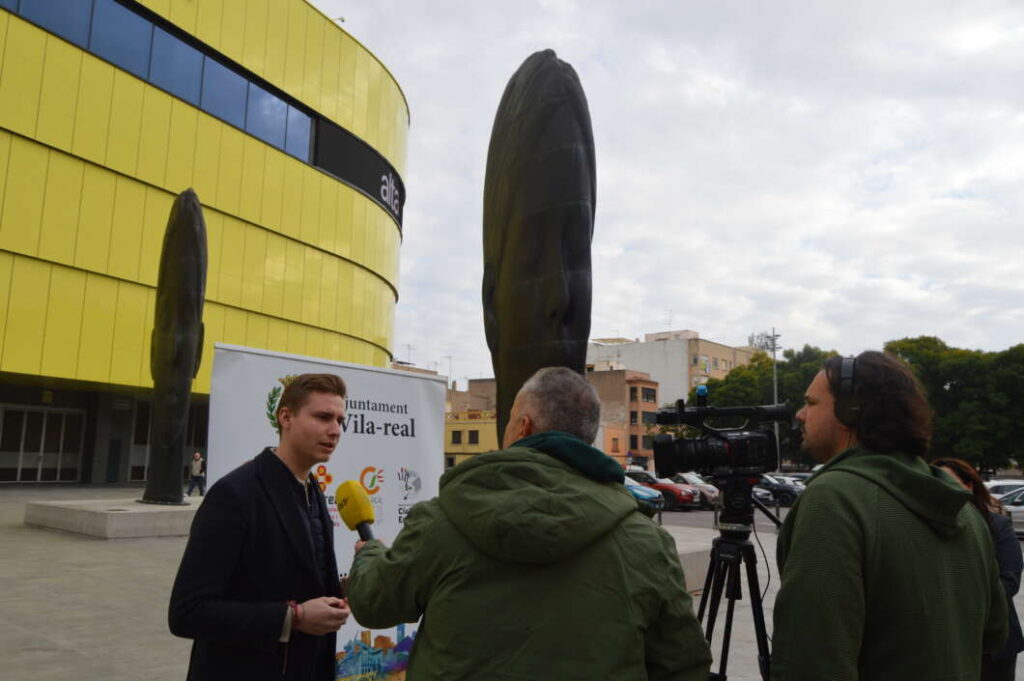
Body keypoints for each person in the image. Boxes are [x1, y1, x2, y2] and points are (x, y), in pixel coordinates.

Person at [346, 366, 712, 681]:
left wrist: (369, 555)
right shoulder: (647, 541)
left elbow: (375, 603)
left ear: (522, 427)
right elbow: (681, 663)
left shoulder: (441, 520)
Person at [771, 351, 1007, 681]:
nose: (799, 415)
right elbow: (995, 632)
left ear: (851, 410)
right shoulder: (964, 510)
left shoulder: (835, 497)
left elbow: (811, 660)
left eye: (810, 403)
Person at [169, 373, 350, 681]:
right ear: (286, 417)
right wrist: (294, 617)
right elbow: (187, 613)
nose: (334, 431)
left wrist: (349, 587)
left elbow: (301, 580)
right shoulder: (235, 494)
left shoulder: (314, 490)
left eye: (340, 421)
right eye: (322, 417)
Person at [933, 457, 1024, 681]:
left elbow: (1009, 581)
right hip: (942, 642)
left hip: (993, 642)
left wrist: (956, 600)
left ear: (969, 485)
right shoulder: (925, 526)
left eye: (949, 481)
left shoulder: (997, 524)